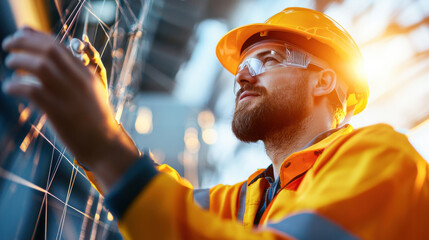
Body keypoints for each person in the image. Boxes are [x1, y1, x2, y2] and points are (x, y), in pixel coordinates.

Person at [2, 7, 429, 240]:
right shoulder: (247, 199)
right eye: (243, 64)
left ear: (324, 80)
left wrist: (105, 146)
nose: (243, 74)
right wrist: (99, 127)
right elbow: (170, 205)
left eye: (268, 60)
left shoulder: (383, 158)